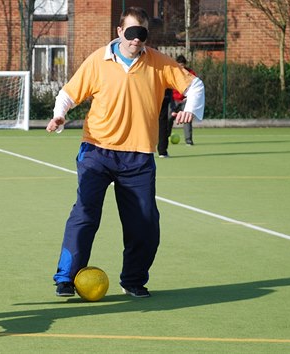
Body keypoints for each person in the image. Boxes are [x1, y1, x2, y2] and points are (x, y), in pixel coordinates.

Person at [46, 7, 204, 298]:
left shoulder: (159, 63)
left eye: (141, 34)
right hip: (96, 151)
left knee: (145, 223)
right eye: (131, 33)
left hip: (139, 157)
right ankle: (66, 278)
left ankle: (132, 280)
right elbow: (68, 93)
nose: (136, 40)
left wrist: (191, 109)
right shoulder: (98, 60)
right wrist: (59, 115)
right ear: (119, 32)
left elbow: (195, 84)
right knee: (85, 215)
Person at [172, 55, 197, 145]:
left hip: (186, 100)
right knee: (168, 118)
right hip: (174, 100)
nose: (180, 67)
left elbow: (195, 87)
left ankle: (188, 140)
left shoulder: (191, 74)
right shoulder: (172, 72)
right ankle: (165, 139)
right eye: (179, 65)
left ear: (185, 65)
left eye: (182, 65)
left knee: (187, 119)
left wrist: (189, 97)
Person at [157, 88, 174, 157]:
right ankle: (162, 151)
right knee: (163, 121)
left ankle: (162, 150)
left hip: (153, 92)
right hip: (164, 92)